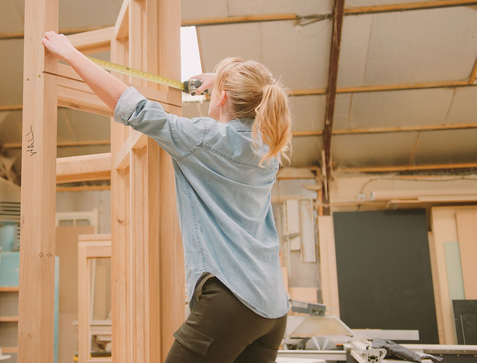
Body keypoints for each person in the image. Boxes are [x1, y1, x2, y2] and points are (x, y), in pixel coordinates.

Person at [42, 31, 291, 363]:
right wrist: (220, 81)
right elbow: (253, 88)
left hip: (232, 301)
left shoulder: (202, 138)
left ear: (222, 97)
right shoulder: (268, 149)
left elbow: (131, 105)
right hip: (272, 310)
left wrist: (70, 53)